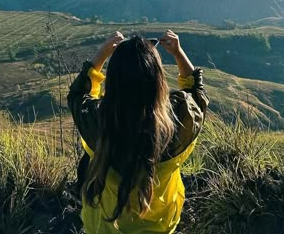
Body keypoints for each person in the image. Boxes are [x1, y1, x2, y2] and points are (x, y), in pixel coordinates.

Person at [67, 29, 208, 234]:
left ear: (114, 82)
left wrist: (102, 55)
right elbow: (197, 93)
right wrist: (178, 53)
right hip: (161, 226)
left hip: (103, 228)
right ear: (157, 81)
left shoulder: (98, 123)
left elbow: (78, 95)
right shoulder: (178, 122)